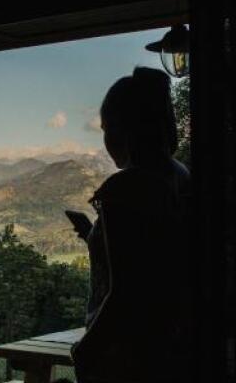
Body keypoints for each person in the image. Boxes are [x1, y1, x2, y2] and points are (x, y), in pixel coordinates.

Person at [70, 67, 192, 383]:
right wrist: (92, 235)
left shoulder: (125, 188)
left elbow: (126, 290)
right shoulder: (180, 176)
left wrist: (86, 350)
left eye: (106, 128)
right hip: (169, 346)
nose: (105, 139)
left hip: (124, 355)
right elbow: (151, 256)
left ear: (126, 130)